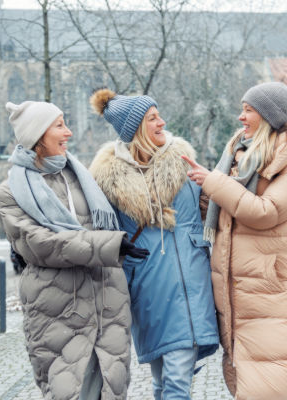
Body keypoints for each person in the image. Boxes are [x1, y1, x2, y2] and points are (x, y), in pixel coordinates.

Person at [0, 100, 149, 400]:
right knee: (69, 392)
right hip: (57, 312)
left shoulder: (84, 177)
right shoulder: (10, 193)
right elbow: (40, 246)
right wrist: (107, 246)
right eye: (60, 125)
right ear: (38, 135)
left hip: (107, 304)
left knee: (111, 389)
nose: (70, 131)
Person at [183, 82, 287, 400]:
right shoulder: (239, 161)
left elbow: (264, 212)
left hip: (273, 287)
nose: (241, 116)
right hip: (239, 288)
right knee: (244, 378)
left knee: (269, 378)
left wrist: (215, 183)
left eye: (249, 110)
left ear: (268, 116)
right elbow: (223, 209)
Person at [89, 89, 219, 400]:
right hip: (147, 290)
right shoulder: (108, 181)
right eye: (152, 118)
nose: (162, 122)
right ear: (135, 130)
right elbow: (97, 233)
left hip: (190, 287)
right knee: (162, 381)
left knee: (175, 381)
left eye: (158, 114)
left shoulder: (184, 164)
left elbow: (216, 211)